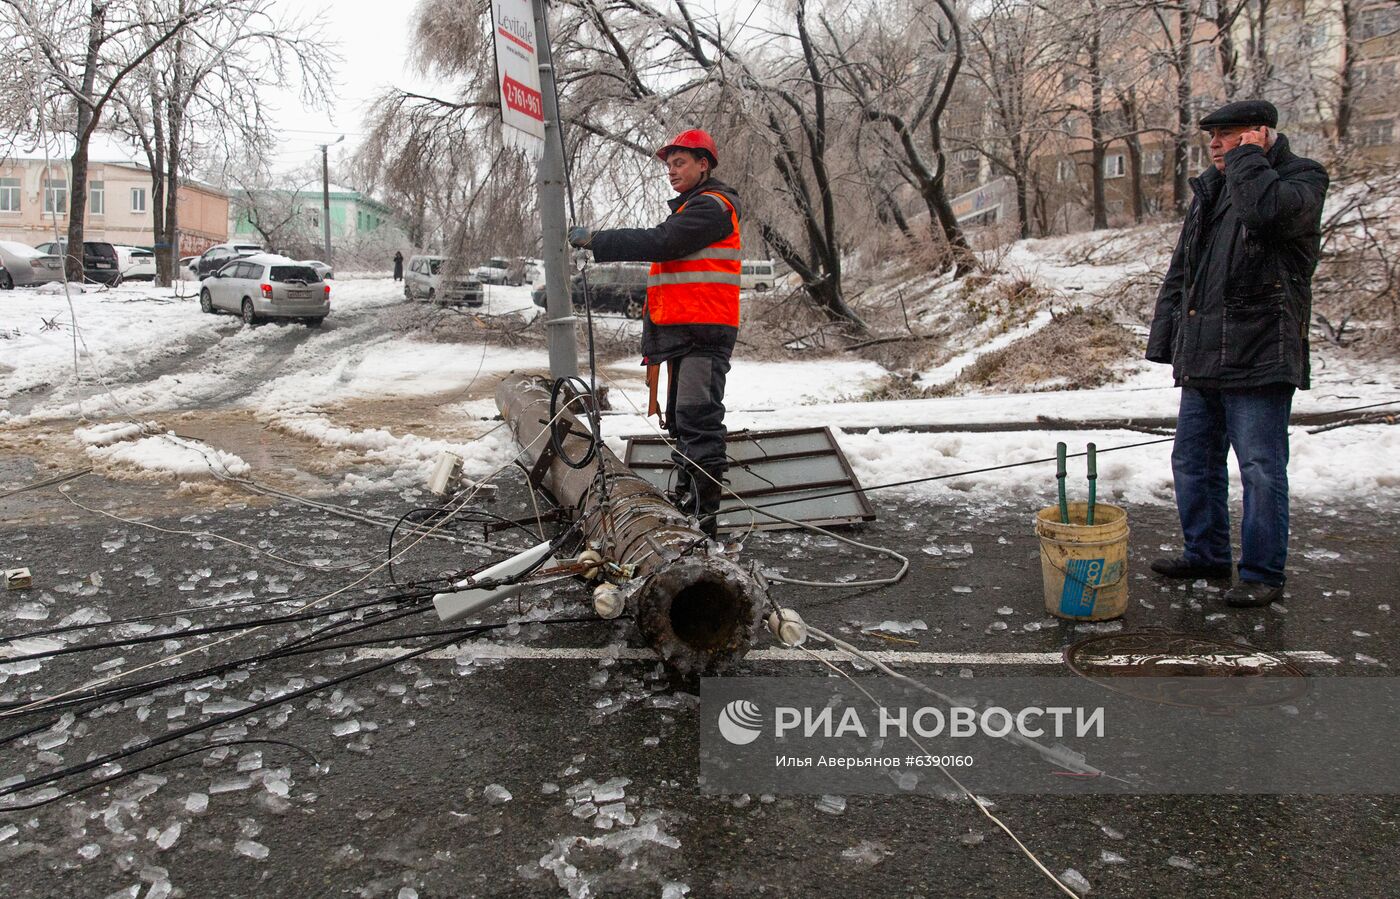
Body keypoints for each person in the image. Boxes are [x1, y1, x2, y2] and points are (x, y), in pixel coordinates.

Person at [1146, 99, 1329, 608]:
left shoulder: (1303, 178)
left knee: (1260, 469)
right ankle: (1205, 553)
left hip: (1261, 351)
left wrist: (1251, 161)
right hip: (1205, 351)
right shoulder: (1212, 189)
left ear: (1260, 134)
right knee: (1193, 461)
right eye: (1213, 137)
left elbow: (1265, 214)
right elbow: (1184, 270)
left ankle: (1263, 572)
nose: (1216, 144)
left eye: (1228, 135)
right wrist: (1168, 341)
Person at [568, 129, 740, 539]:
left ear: (704, 164)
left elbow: (662, 242)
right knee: (684, 424)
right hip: (686, 331)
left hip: (703, 331)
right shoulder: (691, 208)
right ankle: (688, 506)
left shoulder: (713, 208)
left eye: (680, 163)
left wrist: (599, 240)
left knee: (697, 420)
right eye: (669, 165)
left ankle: (703, 520)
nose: (672, 171)